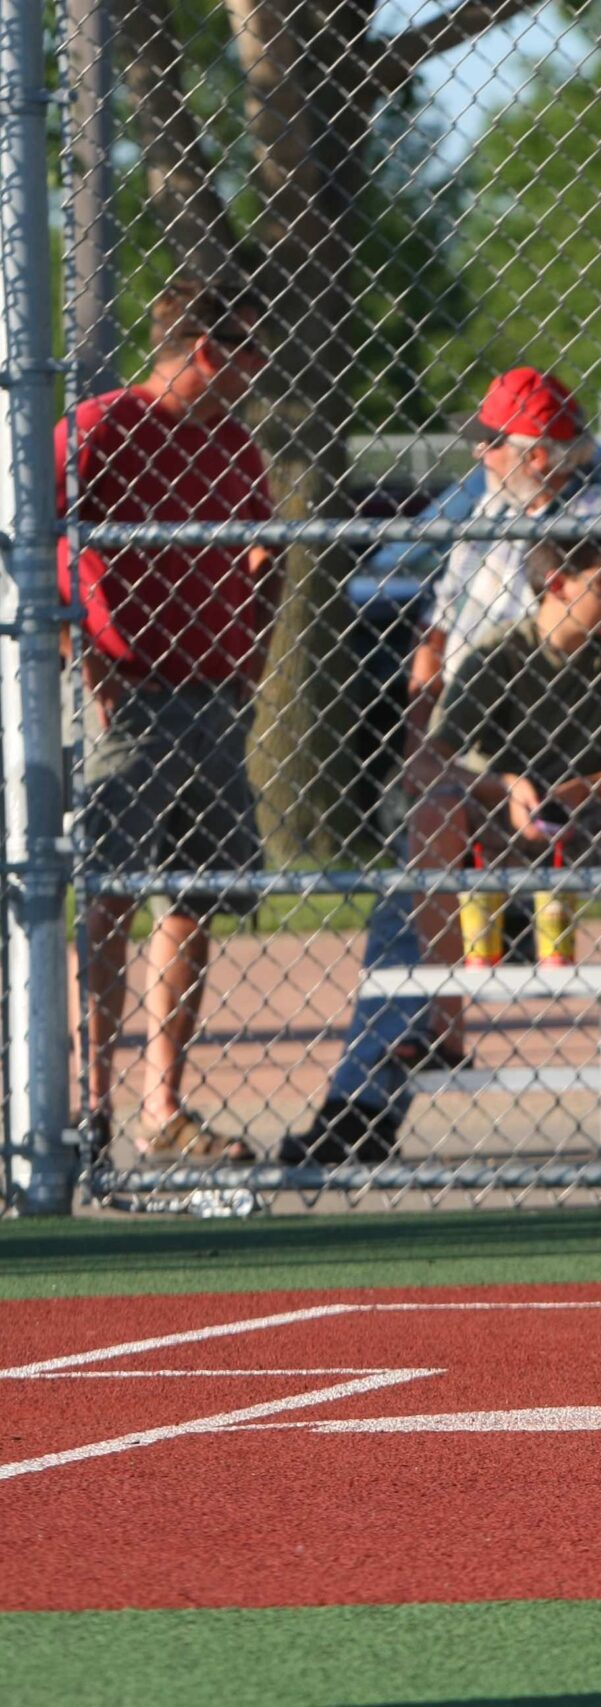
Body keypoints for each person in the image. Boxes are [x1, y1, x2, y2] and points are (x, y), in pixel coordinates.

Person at [57, 275, 275, 1164]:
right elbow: (48, 542)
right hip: (128, 693)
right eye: (251, 350)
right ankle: (89, 1106)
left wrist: (257, 630)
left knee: (193, 897)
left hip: (212, 699)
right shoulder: (103, 428)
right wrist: (88, 651)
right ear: (207, 352)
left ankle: (162, 1109)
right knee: (107, 892)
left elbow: (267, 548)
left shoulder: (233, 443)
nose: (261, 369)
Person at [409, 537, 601, 1067]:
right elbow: (429, 761)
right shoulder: (500, 652)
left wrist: (583, 788)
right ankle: (444, 1028)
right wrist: (504, 785)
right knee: (434, 811)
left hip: (595, 809)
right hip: (500, 813)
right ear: (557, 585)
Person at [410, 368, 601, 735]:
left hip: (560, 721)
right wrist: (421, 734)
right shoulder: (489, 510)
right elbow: (437, 627)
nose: (480, 454)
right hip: (461, 723)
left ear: (536, 456)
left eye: (491, 441)